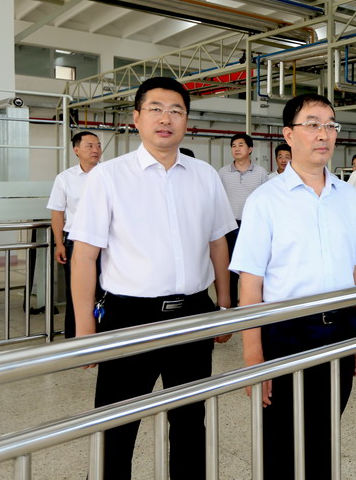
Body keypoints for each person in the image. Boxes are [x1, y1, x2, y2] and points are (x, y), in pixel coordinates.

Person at [69, 77, 235, 480]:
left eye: (176, 111)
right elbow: (85, 256)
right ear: (137, 118)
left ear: (186, 120)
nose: (166, 119)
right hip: (130, 318)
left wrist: (224, 306)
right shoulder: (109, 177)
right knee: (116, 424)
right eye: (156, 109)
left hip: (193, 313)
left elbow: (218, 243)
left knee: (190, 420)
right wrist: (85, 330)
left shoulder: (205, 175)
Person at [232, 93, 356, 479]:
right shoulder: (265, 200)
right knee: (282, 438)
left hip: (341, 328)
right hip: (287, 332)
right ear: (289, 134)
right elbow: (251, 283)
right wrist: (253, 356)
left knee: (324, 432)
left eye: (330, 125)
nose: (324, 134)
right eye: (312, 124)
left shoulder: (348, 197)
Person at [47, 130, 102, 337]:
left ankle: (104, 335)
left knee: (106, 288)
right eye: (90, 146)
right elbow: (57, 213)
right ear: (76, 150)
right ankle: (75, 337)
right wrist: (59, 244)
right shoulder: (65, 178)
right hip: (76, 241)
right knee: (77, 291)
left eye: (98, 145)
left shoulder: (109, 174)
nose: (96, 150)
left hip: (107, 240)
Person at [218, 133, 268, 305]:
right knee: (229, 269)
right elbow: (217, 200)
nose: (236, 149)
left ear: (250, 149)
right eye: (233, 146)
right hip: (229, 227)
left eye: (241, 145)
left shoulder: (260, 173)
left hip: (252, 227)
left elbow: (265, 201)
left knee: (252, 268)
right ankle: (231, 307)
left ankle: (254, 305)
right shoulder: (223, 173)